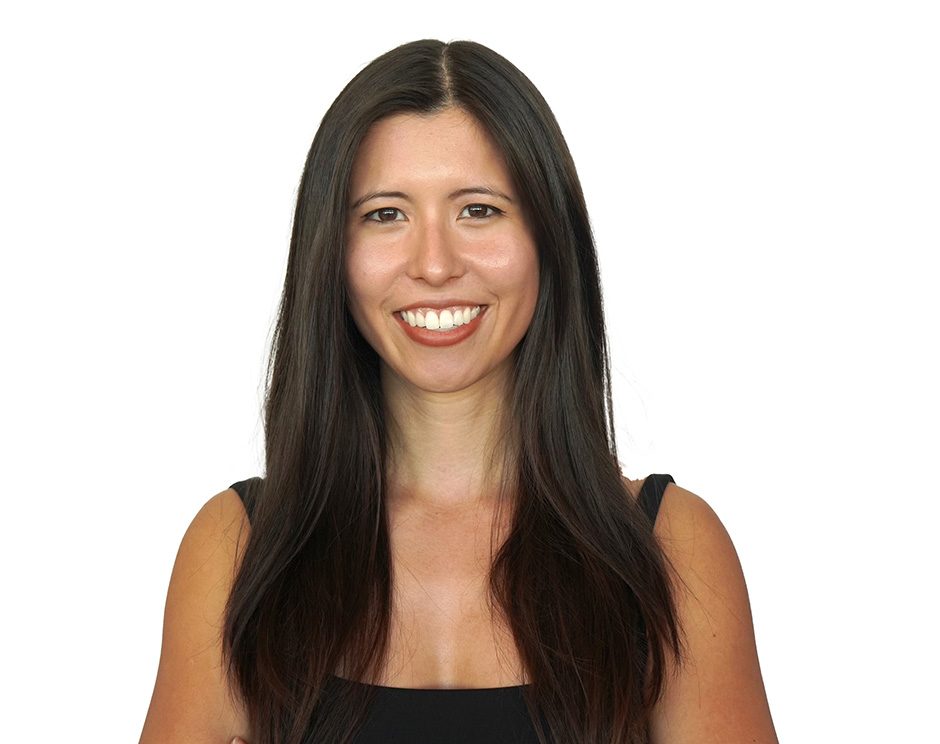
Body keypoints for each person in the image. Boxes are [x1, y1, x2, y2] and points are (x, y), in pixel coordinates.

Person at [140, 39, 778, 744]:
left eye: (478, 210)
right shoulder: (237, 550)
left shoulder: (671, 549)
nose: (435, 264)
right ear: (333, 251)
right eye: (386, 214)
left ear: (547, 238)